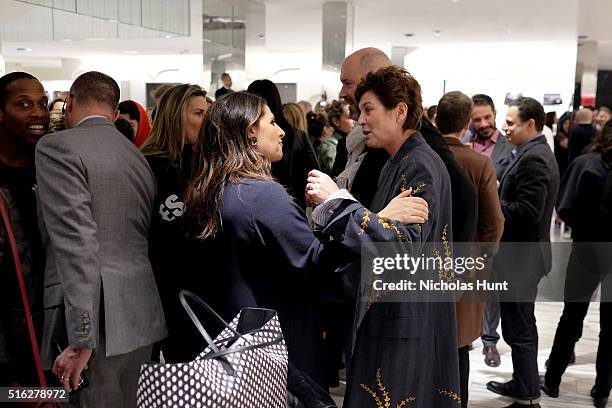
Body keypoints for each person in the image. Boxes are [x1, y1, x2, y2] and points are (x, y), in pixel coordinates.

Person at [184, 90, 426, 387]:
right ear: (250, 133)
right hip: (274, 344)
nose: (281, 131)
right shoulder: (261, 194)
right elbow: (319, 265)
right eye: (271, 123)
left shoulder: (209, 190)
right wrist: (376, 220)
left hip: (231, 338)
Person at [308, 66, 460, 407]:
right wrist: (377, 217)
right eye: (359, 110)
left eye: (369, 109)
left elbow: (401, 247)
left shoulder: (418, 164)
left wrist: (336, 202)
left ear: (400, 110)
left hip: (403, 318)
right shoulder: (400, 161)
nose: (360, 119)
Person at [35, 71, 167, 406]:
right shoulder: (135, 155)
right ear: (114, 110)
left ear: (72, 103)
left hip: (95, 320)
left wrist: (82, 336)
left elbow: (77, 243)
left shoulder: (56, 147)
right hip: (140, 312)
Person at [485, 97, 559, 408]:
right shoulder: (532, 152)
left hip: (522, 258)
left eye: (511, 123)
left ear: (531, 124)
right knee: (519, 325)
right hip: (523, 256)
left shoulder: (534, 158)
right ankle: (523, 383)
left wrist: (493, 200)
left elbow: (528, 211)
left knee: (520, 328)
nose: (505, 127)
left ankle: (528, 397)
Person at [437, 91, 505, 408]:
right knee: (460, 345)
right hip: (467, 267)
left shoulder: (425, 157)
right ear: (467, 124)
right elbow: (494, 221)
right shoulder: (479, 163)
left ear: (437, 119)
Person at [541, 120, 612, 408]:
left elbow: (565, 207)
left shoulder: (585, 163)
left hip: (586, 249)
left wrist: (584, 228)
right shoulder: (586, 163)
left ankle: (554, 379)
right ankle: (603, 388)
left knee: (571, 316)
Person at [140, 84, 211, 363]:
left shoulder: (202, 162)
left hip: (196, 289)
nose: (206, 120)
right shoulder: (148, 166)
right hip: (158, 288)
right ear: (175, 117)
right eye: (198, 113)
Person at [0, 71, 49, 386]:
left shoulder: (52, 166)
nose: (39, 113)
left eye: (42, 103)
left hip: (49, 324)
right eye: (24, 104)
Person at [247, 79, 319, 210]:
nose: (281, 133)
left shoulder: (249, 136)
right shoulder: (297, 134)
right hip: (294, 206)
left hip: (260, 207)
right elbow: (313, 172)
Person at [325, 99, 354, 177]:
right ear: (336, 121)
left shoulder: (350, 140)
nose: (355, 120)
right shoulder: (331, 144)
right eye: (350, 117)